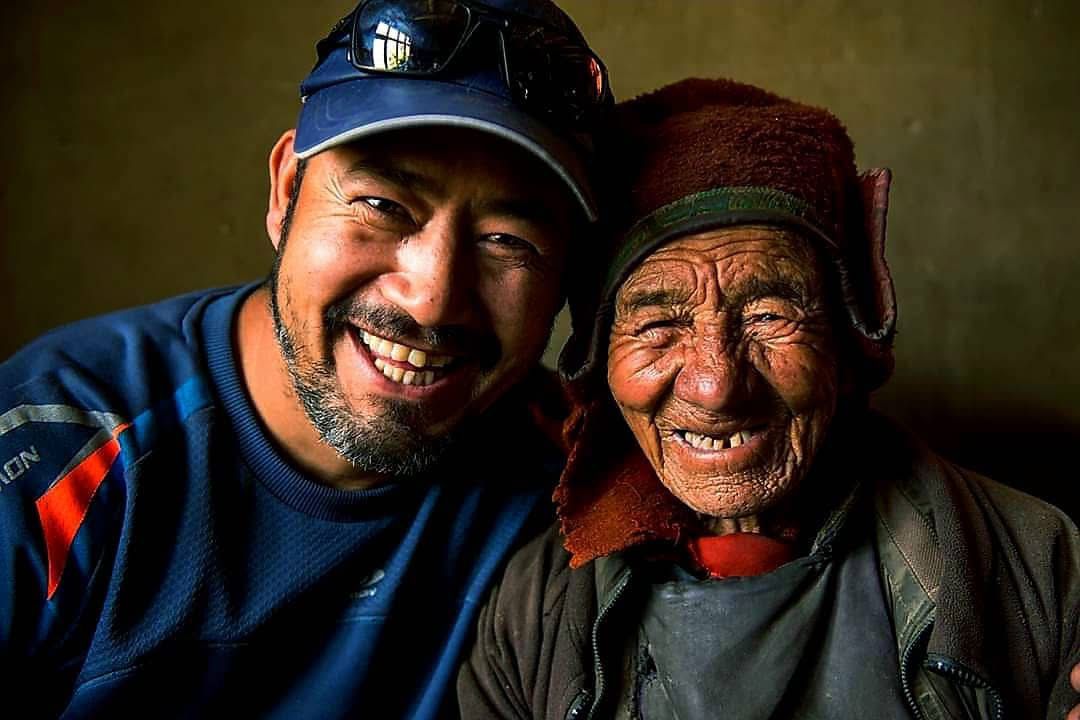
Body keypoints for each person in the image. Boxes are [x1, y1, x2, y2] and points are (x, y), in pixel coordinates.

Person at [0, 0, 610, 716]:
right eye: (383, 205)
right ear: (286, 189)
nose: (432, 300)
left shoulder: (581, 482)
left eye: (509, 242)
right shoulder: (58, 459)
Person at [458, 78, 1080, 719]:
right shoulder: (534, 617)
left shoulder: (1038, 566)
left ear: (846, 339)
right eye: (658, 326)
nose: (717, 385)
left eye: (768, 315)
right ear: (597, 363)